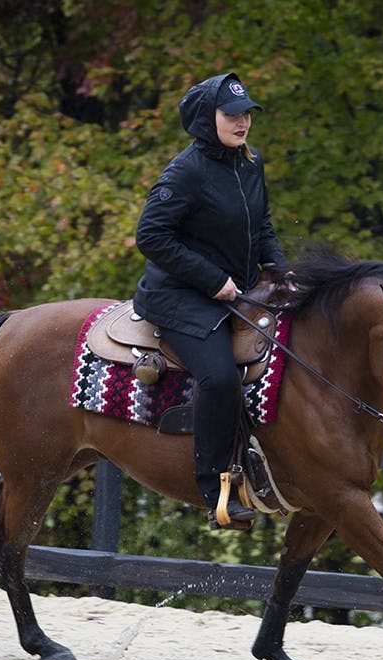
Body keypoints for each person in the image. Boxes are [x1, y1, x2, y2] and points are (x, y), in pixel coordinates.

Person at [132, 72, 287, 528]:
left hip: (236, 294)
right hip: (180, 295)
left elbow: (262, 227)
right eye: (232, 115)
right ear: (206, 118)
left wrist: (281, 271)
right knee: (219, 378)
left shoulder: (251, 163)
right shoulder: (186, 171)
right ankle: (215, 490)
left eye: (247, 114)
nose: (243, 122)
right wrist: (213, 279)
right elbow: (150, 236)